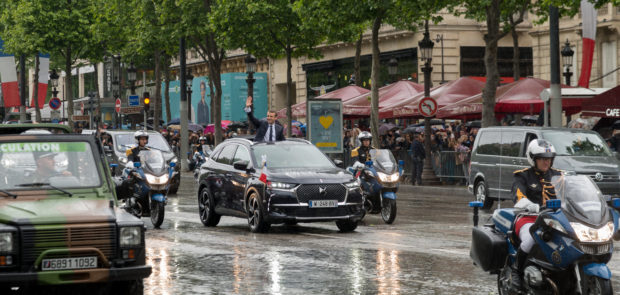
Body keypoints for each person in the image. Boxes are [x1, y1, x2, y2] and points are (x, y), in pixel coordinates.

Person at [509, 139, 562, 289]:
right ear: (533, 159)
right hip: (529, 218)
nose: (547, 162)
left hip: (556, 219)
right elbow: (518, 194)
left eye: (549, 159)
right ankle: (516, 272)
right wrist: (527, 204)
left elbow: (573, 194)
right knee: (532, 239)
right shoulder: (523, 176)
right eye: (542, 159)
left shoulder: (559, 176)